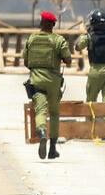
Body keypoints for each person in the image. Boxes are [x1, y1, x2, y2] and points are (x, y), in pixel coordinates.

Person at [23, 10, 71, 159]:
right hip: (53, 81)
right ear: (53, 25)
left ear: (41, 23)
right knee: (55, 113)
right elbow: (68, 60)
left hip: (36, 80)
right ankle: (52, 148)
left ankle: (42, 132)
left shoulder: (31, 39)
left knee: (40, 111)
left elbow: (25, 61)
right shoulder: (58, 40)